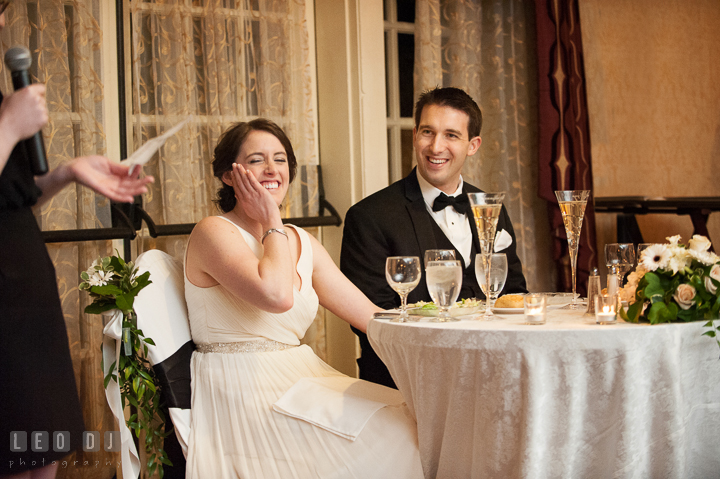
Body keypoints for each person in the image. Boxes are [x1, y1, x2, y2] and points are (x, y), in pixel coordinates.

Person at [183, 119, 423, 478]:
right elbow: (277, 295)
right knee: (390, 438)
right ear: (228, 176)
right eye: (256, 160)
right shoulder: (213, 232)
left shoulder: (303, 242)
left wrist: (438, 332)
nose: (271, 169)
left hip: (300, 378)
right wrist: (271, 219)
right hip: (242, 391)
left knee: (413, 419)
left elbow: (372, 316)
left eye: (280, 160)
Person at [0, 9, 154, 478]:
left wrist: (68, 172)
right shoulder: (6, 113)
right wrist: (9, 125)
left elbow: (14, 197)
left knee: (42, 452)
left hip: (24, 292)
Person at [341, 87, 528, 388]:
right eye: (428, 132)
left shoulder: (491, 208)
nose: (436, 146)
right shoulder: (369, 217)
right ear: (415, 135)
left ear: (473, 144)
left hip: (491, 377)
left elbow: (514, 292)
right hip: (406, 383)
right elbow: (372, 321)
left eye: (451, 135)